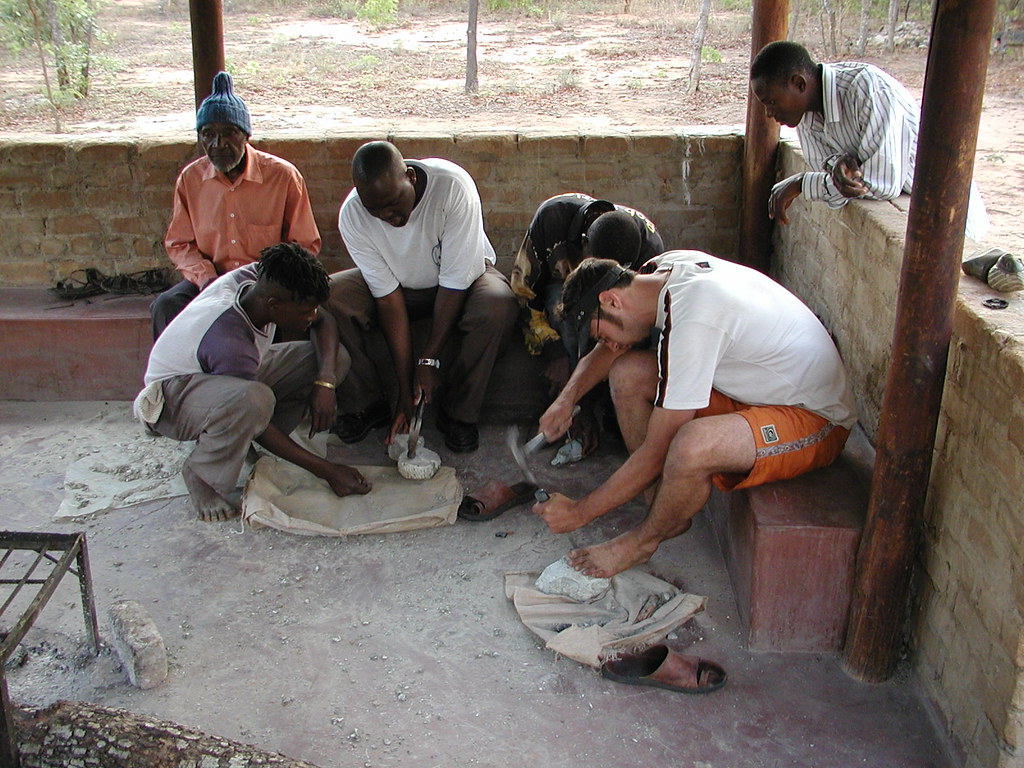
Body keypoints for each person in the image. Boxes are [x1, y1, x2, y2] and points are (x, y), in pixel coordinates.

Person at [534, 251, 857, 578]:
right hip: (755, 391)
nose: (610, 345)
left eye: (602, 335)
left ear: (612, 300)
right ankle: (662, 506)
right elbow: (610, 352)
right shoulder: (660, 271)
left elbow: (656, 452)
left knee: (690, 445)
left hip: (813, 415)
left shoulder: (694, 319)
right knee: (627, 373)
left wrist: (580, 512)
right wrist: (566, 400)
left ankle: (643, 541)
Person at [133, 243, 370, 522]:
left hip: (225, 379)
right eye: (305, 311)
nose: (311, 316)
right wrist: (327, 470)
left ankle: (238, 442)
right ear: (274, 305)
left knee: (333, 359)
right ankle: (200, 475)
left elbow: (323, 321)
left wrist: (325, 383)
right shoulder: (229, 341)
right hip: (171, 399)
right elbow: (251, 410)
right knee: (254, 400)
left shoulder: (260, 278)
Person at [326, 140, 518, 453]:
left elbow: (455, 284)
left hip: (465, 282)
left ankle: (458, 413)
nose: (387, 216)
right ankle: (367, 404)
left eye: (393, 203)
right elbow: (388, 300)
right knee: (330, 297)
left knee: (498, 304)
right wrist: (405, 391)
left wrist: (428, 360)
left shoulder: (452, 187)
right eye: (375, 210)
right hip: (401, 288)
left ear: (411, 178)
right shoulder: (353, 215)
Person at [749, 40, 988, 241]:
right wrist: (837, 173)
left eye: (772, 102)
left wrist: (803, 183)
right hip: (916, 222)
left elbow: (880, 184)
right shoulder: (805, 116)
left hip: (950, 219)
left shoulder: (866, 90)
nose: (768, 113)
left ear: (799, 83)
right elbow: (837, 183)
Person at [152, 71, 321, 339]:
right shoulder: (191, 179)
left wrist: (267, 281)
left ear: (246, 135)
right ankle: (176, 367)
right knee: (166, 306)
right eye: (208, 134)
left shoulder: (283, 177)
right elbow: (179, 243)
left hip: (265, 282)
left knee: (286, 313)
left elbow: (305, 245)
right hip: (211, 279)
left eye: (228, 133)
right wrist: (207, 278)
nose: (217, 144)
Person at [510, 194, 664, 460]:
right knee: (572, 316)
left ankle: (612, 409)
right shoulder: (553, 219)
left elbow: (625, 328)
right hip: (564, 292)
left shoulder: (648, 247)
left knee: (629, 331)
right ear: (583, 246)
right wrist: (554, 351)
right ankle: (570, 414)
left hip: (622, 311)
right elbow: (523, 292)